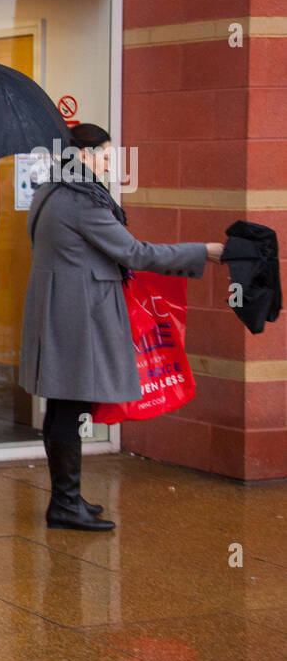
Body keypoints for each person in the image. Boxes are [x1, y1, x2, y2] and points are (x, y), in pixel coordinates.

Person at [20, 123, 226, 531]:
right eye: (106, 156)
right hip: (76, 314)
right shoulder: (80, 201)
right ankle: (64, 504)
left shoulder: (50, 191)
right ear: (83, 155)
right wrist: (204, 252)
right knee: (69, 406)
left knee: (64, 405)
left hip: (59, 307)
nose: (110, 165)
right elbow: (133, 252)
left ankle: (69, 498)